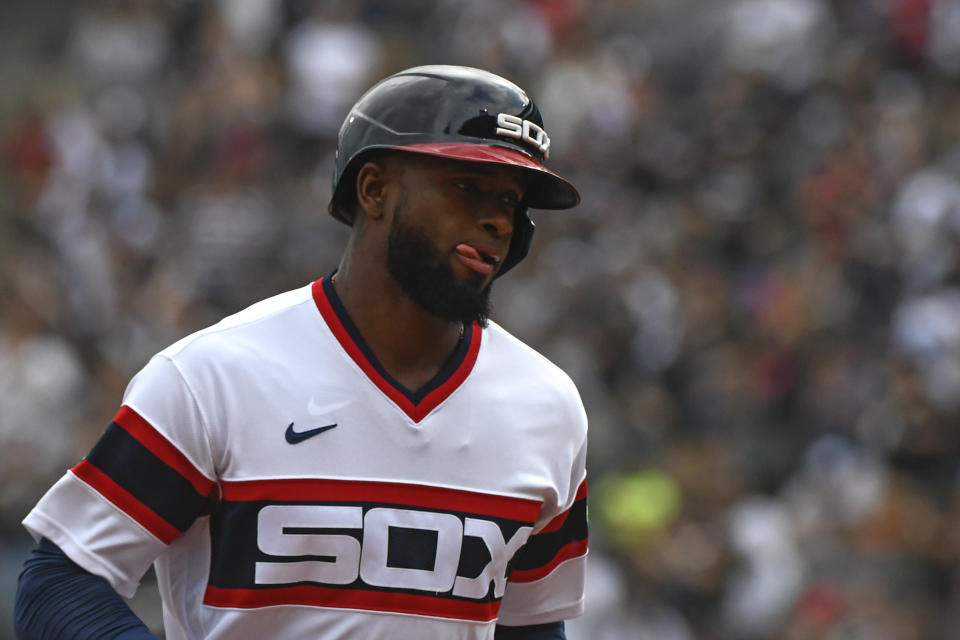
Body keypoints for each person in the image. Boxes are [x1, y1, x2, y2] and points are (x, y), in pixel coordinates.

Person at [14, 65, 588, 640]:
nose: (497, 219)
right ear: (375, 189)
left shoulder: (546, 406)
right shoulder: (214, 376)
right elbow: (62, 580)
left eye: (512, 200)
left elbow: (532, 627)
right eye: (466, 186)